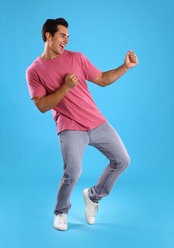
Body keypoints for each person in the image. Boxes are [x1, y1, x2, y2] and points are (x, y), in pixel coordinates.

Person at [26, 17, 138, 231]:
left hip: (96, 121)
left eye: (68, 36)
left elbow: (103, 79)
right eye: (62, 35)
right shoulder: (34, 71)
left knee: (122, 160)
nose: (66, 40)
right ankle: (61, 212)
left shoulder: (77, 58)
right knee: (73, 173)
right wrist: (66, 87)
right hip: (69, 126)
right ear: (48, 36)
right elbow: (41, 105)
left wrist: (125, 66)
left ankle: (93, 197)